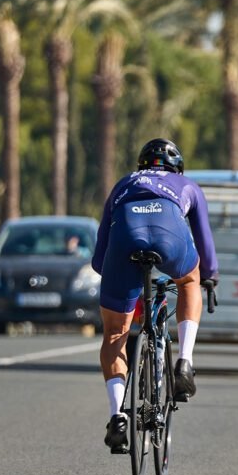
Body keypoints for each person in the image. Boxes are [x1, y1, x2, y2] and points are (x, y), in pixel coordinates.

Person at [91, 138, 219, 453]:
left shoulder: (124, 184)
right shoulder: (186, 185)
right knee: (190, 279)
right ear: (176, 168)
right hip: (169, 235)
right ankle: (185, 363)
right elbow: (205, 247)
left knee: (115, 335)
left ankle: (117, 415)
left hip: (125, 240)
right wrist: (210, 277)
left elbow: (98, 259)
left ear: (141, 166)